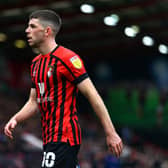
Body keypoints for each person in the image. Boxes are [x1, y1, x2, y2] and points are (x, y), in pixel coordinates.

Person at [4, 9, 123, 168]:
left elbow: (92, 95)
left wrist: (111, 132)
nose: (27, 30)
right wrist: (16, 118)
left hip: (64, 136)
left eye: (32, 26)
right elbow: (33, 102)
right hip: (49, 137)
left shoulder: (68, 58)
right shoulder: (35, 64)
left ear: (47, 31)